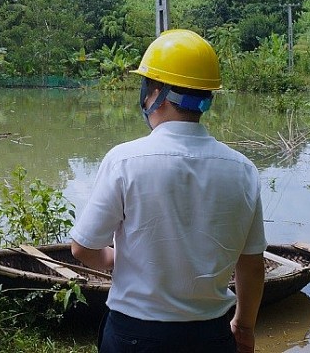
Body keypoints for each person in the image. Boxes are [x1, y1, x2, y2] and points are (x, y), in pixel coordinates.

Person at [70, 29, 267, 353]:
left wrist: (117, 258)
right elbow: (251, 264)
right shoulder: (242, 170)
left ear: (155, 92)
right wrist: (244, 327)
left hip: (134, 336)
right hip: (211, 337)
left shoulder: (125, 160)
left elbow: (83, 248)